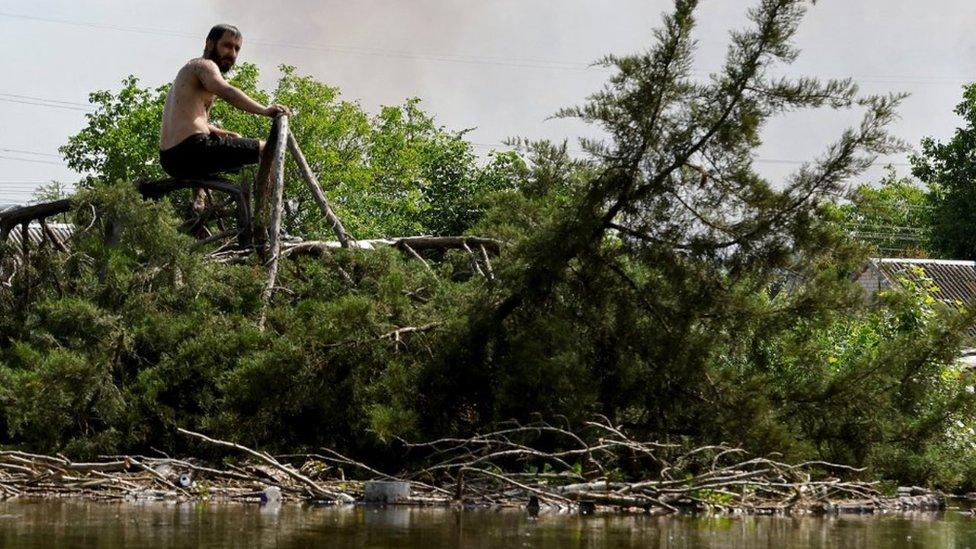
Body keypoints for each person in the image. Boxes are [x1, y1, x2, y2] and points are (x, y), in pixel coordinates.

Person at [159, 24, 289, 211]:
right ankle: (269, 217)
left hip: (171, 159)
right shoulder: (204, 65)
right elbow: (227, 91)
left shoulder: (187, 74)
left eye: (237, 49)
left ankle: (199, 204)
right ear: (210, 44)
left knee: (226, 143)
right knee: (268, 149)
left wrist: (223, 132)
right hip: (191, 149)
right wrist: (265, 110)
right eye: (227, 46)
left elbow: (196, 124)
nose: (233, 54)